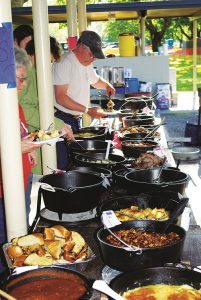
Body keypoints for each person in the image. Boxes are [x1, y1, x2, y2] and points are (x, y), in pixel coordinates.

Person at [0, 46, 41, 273]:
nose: (24, 85)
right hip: (4, 189)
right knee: (7, 242)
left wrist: (28, 147)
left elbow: (20, 131)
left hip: (21, 178)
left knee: (20, 231)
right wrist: (17, 148)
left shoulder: (11, 101)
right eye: (20, 79)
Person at [52, 30, 115, 169]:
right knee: (64, 162)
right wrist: (87, 110)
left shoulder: (87, 63)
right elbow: (61, 97)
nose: (93, 59)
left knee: (75, 159)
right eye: (92, 55)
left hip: (75, 119)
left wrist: (107, 85)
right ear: (80, 46)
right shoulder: (65, 62)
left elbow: (95, 80)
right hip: (62, 118)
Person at [19, 37, 74, 174]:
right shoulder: (29, 73)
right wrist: (57, 123)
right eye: (50, 60)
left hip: (32, 137)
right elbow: (25, 108)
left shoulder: (33, 71)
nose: (50, 64)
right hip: (30, 137)